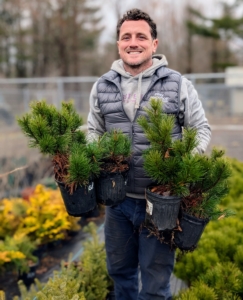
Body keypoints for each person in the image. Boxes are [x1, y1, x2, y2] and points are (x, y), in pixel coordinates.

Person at [87, 8, 211, 300]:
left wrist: (182, 161)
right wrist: (97, 152)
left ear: (154, 44)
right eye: (126, 36)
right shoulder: (102, 85)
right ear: (118, 44)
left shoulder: (177, 84)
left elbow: (201, 129)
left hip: (161, 204)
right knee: (120, 273)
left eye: (141, 36)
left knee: (155, 285)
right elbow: (93, 129)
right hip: (117, 203)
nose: (133, 42)